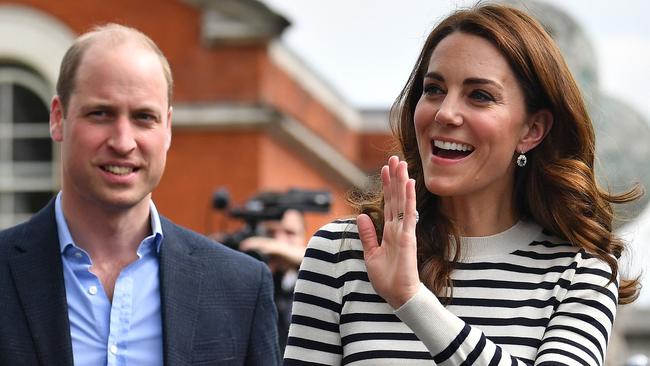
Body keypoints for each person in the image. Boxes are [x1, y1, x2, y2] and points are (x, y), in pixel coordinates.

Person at [284, 4, 640, 365]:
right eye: (434, 89)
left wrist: (412, 300)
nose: (444, 113)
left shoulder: (581, 272)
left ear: (532, 130)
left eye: (479, 95)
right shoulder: (341, 252)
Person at [0, 24, 280, 366]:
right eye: (100, 113)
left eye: (144, 117)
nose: (122, 141)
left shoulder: (240, 289)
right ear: (58, 118)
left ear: (167, 129)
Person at [240, 209, 307, 352]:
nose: (280, 240)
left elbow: (318, 259)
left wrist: (274, 248)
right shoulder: (257, 275)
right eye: (272, 233)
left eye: (290, 233)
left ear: (304, 236)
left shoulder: (312, 274)